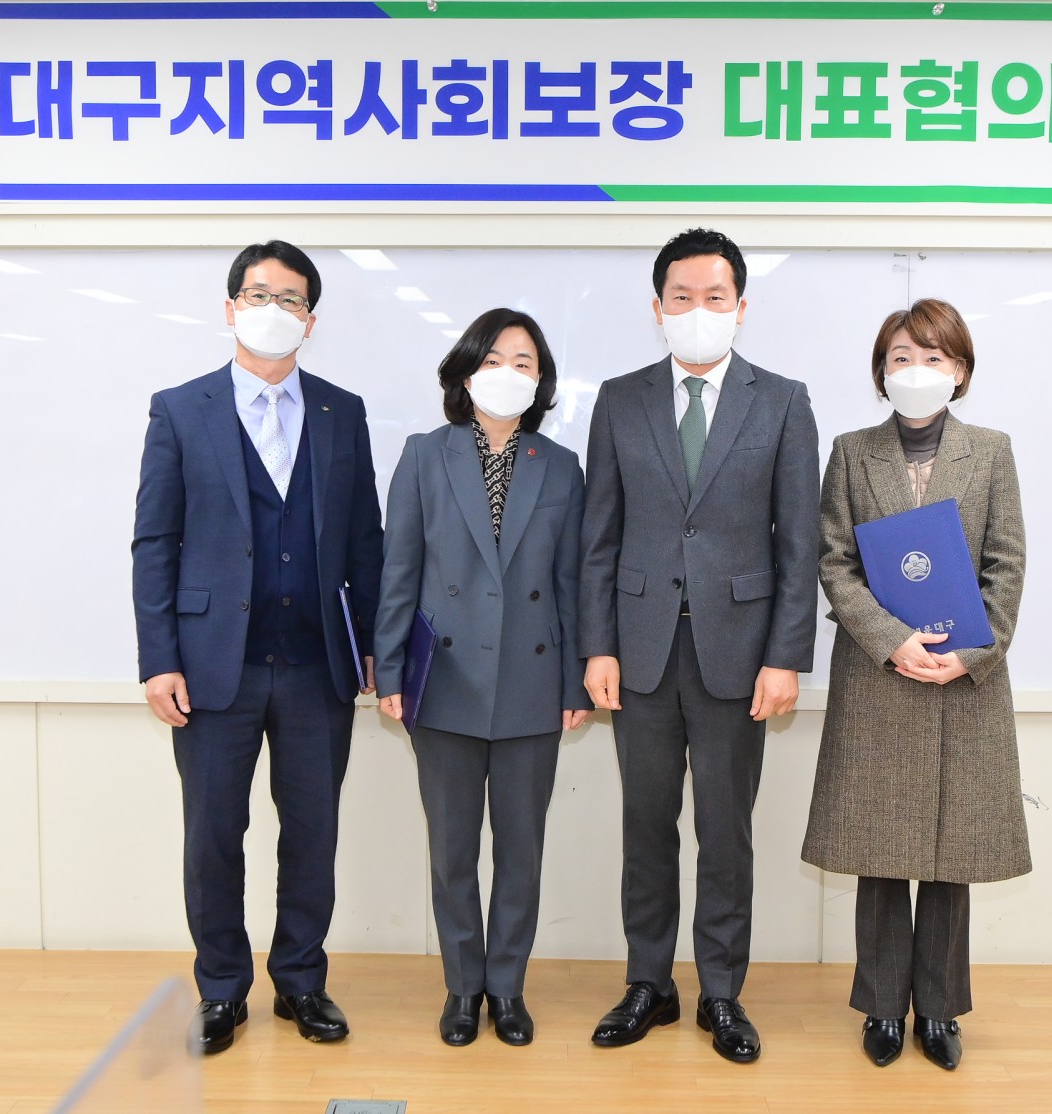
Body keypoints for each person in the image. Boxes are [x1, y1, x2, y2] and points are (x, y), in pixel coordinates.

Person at [132, 240, 384, 1055]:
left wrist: (373, 644)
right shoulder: (180, 409)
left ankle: (301, 981)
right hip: (213, 668)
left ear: (311, 319)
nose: (273, 309)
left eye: (290, 298)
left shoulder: (342, 411)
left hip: (317, 665)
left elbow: (366, 540)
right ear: (231, 307)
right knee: (213, 835)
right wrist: (158, 658)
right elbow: (155, 542)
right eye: (258, 294)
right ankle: (220, 990)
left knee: (312, 832)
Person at [580, 228, 820, 1064]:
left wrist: (785, 656)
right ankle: (648, 983)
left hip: (739, 656)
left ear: (740, 307)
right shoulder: (620, 399)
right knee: (646, 827)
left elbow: (799, 544)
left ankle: (722, 991)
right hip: (640, 654)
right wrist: (598, 646)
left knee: (725, 832)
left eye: (714, 297)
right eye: (681, 297)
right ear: (658, 308)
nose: (697, 310)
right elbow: (599, 538)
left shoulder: (782, 401)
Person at [801, 298, 1031, 1072]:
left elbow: (1006, 563)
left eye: (933, 357)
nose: (916, 369)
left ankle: (938, 1009)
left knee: (949, 855)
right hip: (880, 678)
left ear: (959, 371)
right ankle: (880, 1007)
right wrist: (891, 641)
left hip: (963, 682)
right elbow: (835, 562)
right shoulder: (851, 452)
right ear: (881, 372)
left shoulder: (991, 452)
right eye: (901, 357)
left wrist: (973, 651)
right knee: (879, 850)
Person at [375, 308, 591, 1048]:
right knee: (452, 851)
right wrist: (390, 667)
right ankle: (463, 988)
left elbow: (571, 584)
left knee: (521, 852)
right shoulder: (424, 455)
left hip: (533, 681)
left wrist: (574, 683)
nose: (509, 372)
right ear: (466, 373)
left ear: (541, 380)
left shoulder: (560, 466)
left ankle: (508, 989)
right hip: (445, 681)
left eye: (525, 362)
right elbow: (398, 570)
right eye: (494, 359)